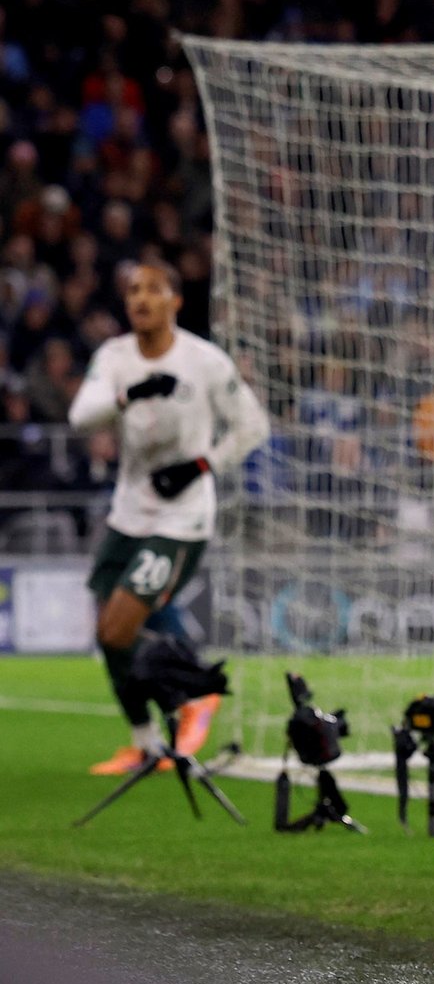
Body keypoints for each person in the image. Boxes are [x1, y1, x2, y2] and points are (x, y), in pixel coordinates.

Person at [67, 260, 270, 775]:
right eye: (133, 289)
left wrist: (202, 465)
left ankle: (194, 688)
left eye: (154, 289)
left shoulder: (204, 361)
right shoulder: (114, 357)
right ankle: (147, 742)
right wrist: (130, 394)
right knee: (108, 635)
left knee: (118, 628)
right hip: (127, 513)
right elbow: (79, 416)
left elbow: (252, 426)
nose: (141, 298)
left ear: (175, 301)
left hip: (181, 518)